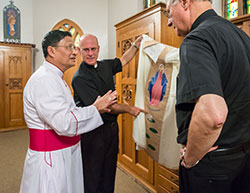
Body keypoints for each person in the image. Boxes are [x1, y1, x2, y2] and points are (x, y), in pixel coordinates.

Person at [165, 0, 250, 193]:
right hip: (243, 160)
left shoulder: (197, 39)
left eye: (169, 12)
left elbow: (213, 115)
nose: (169, 22)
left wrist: (190, 158)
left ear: (185, 3)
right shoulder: (241, 36)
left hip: (213, 167)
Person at [19, 30, 117, 193]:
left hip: (63, 152)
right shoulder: (44, 80)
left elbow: (69, 113)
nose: (74, 52)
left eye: (74, 47)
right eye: (69, 47)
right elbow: (65, 123)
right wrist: (95, 108)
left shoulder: (55, 78)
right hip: (51, 158)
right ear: (52, 51)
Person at [72, 34, 144, 193]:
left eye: (93, 49)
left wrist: (136, 45)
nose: (90, 53)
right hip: (93, 133)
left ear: (98, 49)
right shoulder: (79, 78)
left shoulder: (105, 65)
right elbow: (105, 107)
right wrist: (129, 109)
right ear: (79, 51)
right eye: (86, 50)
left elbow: (123, 60)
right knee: (93, 176)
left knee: (109, 172)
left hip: (111, 130)